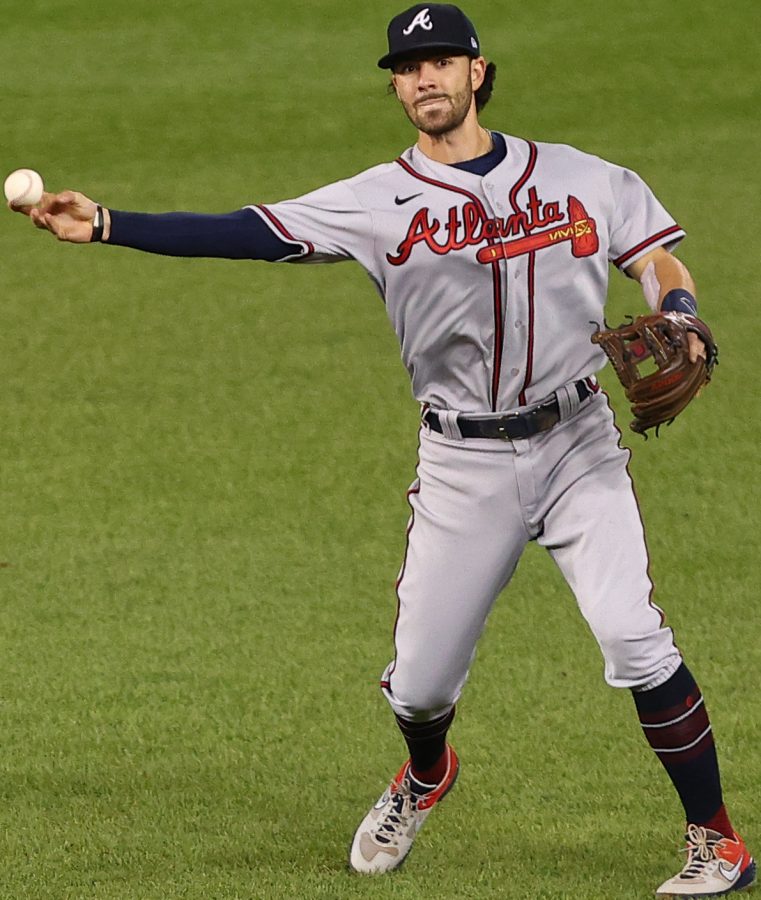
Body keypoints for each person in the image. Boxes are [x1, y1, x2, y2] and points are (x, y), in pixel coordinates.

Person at [10, 4, 754, 895]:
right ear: (396, 85)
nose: (424, 79)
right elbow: (248, 231)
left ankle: (717, 842)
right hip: (462, 468)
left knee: (635, 639)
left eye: (441, 62)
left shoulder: (580, 176)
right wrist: (106, 223)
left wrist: (678, 314)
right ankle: (425, 774)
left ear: (478, 72)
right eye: (407, 69)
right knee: (418, 691)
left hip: (575, 445)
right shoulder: (373, 200)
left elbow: (657, 257)